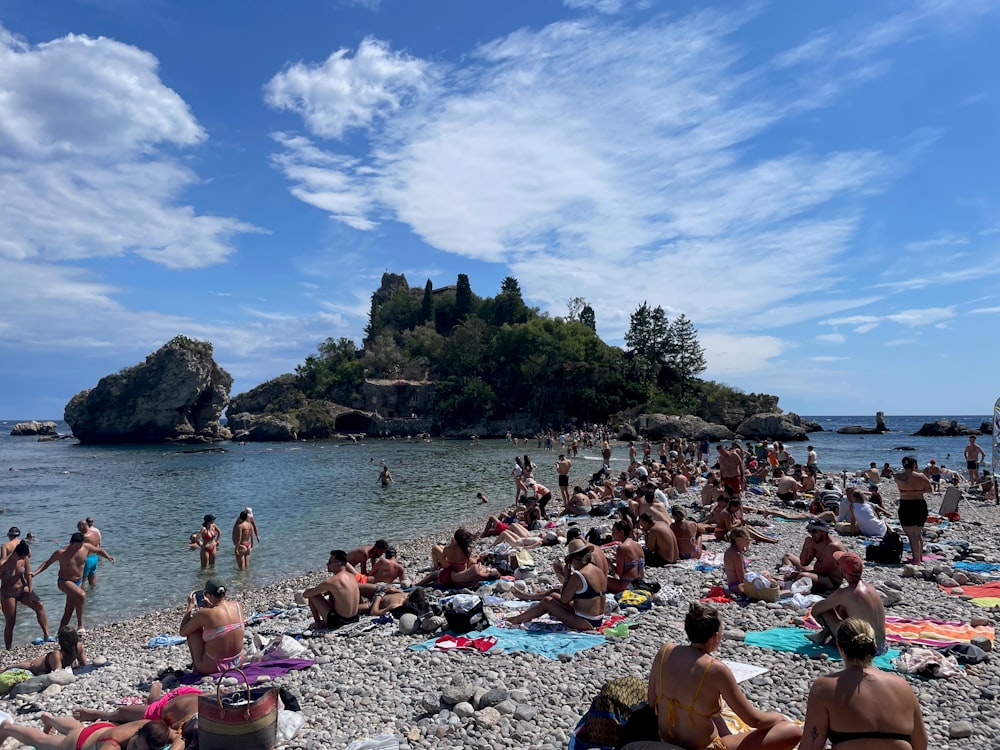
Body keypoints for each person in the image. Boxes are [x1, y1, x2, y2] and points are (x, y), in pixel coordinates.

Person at [642, 601, 801, 750]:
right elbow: (754, 720)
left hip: (665, 738)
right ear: (715, 636)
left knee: (705, 705)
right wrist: (778, 718)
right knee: (793, 731)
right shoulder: (715, 669)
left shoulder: (665, 650)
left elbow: (651, 701)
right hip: (703, 747)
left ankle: (728, 736)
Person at [800, 618, 927, 750]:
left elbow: (810, 746)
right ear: (874, 646)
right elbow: (920, 745)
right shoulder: (902, 686)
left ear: (840, 647)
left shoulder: (825, 687)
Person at [507, 539, 607, 631]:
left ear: (574, 559)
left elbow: (564, 599)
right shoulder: (597, 570)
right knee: (553, 595)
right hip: (597, 619)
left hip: (586, 622)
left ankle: (516, 619)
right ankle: (522, 613)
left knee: (547, 601)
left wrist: (567, 577)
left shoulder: (578, 575)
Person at [33, 532, 115, 633]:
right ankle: (81, 625)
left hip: (78, 582)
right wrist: (34, 573)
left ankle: (60, 633)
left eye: (79, 546)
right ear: (70, 543)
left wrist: (108, 557)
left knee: (69, 610)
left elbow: (99, 550)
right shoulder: (61, 553)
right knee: (82, 595)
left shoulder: (86, 547)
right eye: (75, 547)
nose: (77, 549)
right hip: (64, 581)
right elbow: (47, 563)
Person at [806, 552, 887, 652]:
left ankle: (821, 636)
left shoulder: (846, 593)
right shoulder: (871, 588)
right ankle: (821, 636)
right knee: (842, 608)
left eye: (838, 565)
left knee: (825, 610)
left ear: (843, 570)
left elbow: (816, 610)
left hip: (863, 648)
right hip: (881, 646)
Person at [72, 680, 202, 732]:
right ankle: (153, 694)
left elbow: (173, 729)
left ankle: (100, 715)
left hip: (161, 710)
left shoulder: (193, 720)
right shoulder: (199, 718)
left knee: (122, 712)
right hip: (185, 696)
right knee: (154, 700)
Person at [178, 577, 245, 674]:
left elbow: (183, 632)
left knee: (193, 631)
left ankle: (197, 669)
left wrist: (190, 607)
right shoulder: (238, 606)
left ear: (208, 595)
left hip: (214, 666)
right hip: (238, 662)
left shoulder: (204, 613)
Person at [0, 716, 180, 750]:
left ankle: (51, 718)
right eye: (136, 748)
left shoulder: (150, 726)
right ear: (138, 735)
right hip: (79, 742)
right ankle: (8, 728)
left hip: (101, 727)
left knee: (77, 726)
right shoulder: (111, 748)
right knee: (42, 740)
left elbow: (178, 738)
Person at [1, 540, 49, 648]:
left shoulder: (24, 558)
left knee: (39, 605)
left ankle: (47, 635)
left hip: (22, 590)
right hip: (8, 593)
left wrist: (30, 591)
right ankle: (8, 648)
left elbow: (28, 575)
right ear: (16, 554)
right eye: (22, 557)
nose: (23, 559)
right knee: (11, 621)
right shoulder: (4, 564)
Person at [781, 520, 845, 595]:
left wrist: (798, 573)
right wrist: (806, 547)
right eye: (809, 531)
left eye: (814, 531)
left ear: (823, 532)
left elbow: (825, 571)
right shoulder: (816, 541)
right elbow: (804, 563)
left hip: (831, 579)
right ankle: (789, 576)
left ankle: (788, 587)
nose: (811, 534)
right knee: (788, 557)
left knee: (803, 576)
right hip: (817, 572)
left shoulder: (833, 546)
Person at [418, 529, 498, 587]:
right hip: (461, 570)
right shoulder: (467, 549)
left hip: (451, 569)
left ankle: (419, 583)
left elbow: (442, 560)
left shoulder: (447, 549)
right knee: (436, 578)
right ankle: (421, 584)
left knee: (434, 575)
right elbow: (467, 562)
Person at [303, 550, 360, 630]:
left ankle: (318, 624)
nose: (327, 564)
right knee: (331, 593)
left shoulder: (332, 581)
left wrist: (310, 590)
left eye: (330, 562)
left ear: (338, 563)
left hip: (339, 622)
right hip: (355, 618)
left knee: (313, 596)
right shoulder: (352, 576)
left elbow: (305, 595)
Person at [893, 456, 931, 565]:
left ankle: (916, 560)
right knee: (917, 533)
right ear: (914, 465)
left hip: (906, 504)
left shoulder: (898, 476)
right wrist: (919, 490)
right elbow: (929, 490)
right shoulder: (921, 477)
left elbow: (902, 481)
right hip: (919, 503)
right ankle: (919, 557)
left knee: (911, 535)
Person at [607, 520, 645, 593]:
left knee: (600, 579)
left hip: (627, 586)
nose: (612, 534)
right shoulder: (636, 544)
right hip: (639, 582)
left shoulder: (622, 548)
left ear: (621, 532)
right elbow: (633, 561)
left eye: (614, 532)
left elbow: (619, 574)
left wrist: (608, 562)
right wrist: (616, 557)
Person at [78, 518, 102, 588]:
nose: (78, 530)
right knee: (92, 580)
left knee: (82, 581)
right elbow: (99, 545)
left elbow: (78, 548)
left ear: (83, 526)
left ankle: (81, 596)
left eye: (79, 528)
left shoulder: (85, 537)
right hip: (95, 558)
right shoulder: (96, 533)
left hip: (87, 559)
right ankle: (93, 596)